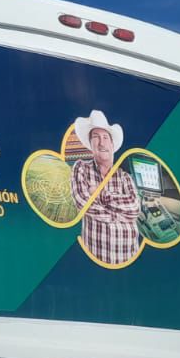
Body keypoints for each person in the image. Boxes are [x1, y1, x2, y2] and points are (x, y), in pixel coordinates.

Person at [70, 110, 141, 266]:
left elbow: (135, 208)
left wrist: (101, 194)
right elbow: (83, 203)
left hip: (130, 263)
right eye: (96, 138)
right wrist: (117, 217)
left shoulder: (124, 177)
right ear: (90, 145)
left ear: (112, 144)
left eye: (105, 137)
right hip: (95, 263)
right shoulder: (81, 168)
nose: (101, 143)